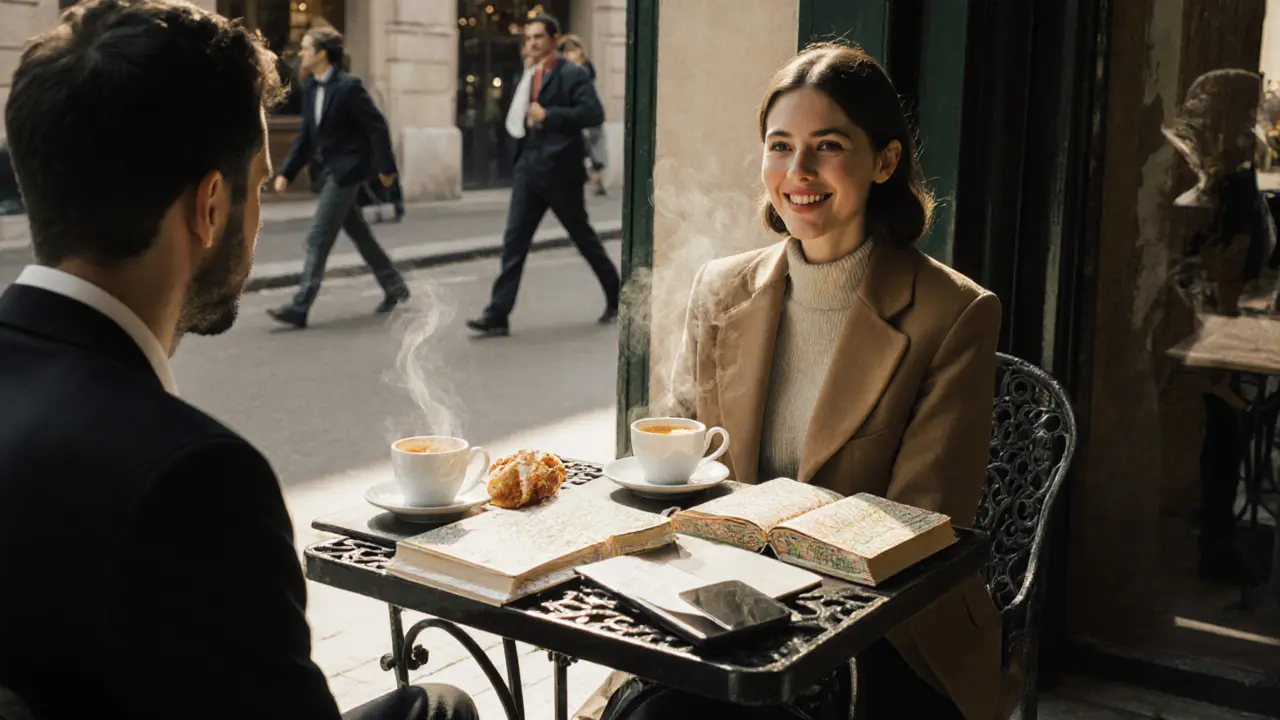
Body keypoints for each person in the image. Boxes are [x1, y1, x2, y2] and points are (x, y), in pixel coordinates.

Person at [0, 3, 476, 719]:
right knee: (439, 706)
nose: (259, 215)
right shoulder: (195, 480)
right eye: (257, 186)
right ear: (211, 207)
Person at [591, 43, 1007, 720]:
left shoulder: (955, 313)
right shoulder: (721, 289)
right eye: (779, 146)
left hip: (886, 635)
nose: (798, 172)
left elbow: (917, 529)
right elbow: (678, 469)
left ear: (885, 162)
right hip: (722, 605)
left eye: (828, 145)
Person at [466, 13, 621, 337]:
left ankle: (617, 296)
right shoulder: (528, 75)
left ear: (554, 38)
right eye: (528, 38)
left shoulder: (571, 74)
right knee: (514, 241)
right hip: (529, 169)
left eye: (538, 37)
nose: (531, 43)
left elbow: (594, 113)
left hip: (560, 172)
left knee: (583, 237)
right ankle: (498, 314)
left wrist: (550, 115)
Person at [267, 26, 410, 329]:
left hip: (345, 174)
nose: (300, 53)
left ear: (322, 53)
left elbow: (376, 127)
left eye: (305, 48)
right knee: (360, 233)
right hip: (326, 173)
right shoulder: (311, 88)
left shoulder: (349, 87)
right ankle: (395, 288)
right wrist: (287, 172)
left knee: (317, 237)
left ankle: (300, 305)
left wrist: (386, 169)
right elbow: (306, 135)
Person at [558, 34, 608, 197]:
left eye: (572, 50)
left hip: (586, 116)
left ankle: (594, 177)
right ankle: (595, 177)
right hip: (587, 114)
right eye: (566, 52)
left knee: (590, 148)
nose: (569, 55)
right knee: (590, 150)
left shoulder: (579, 71)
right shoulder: (582, 69)